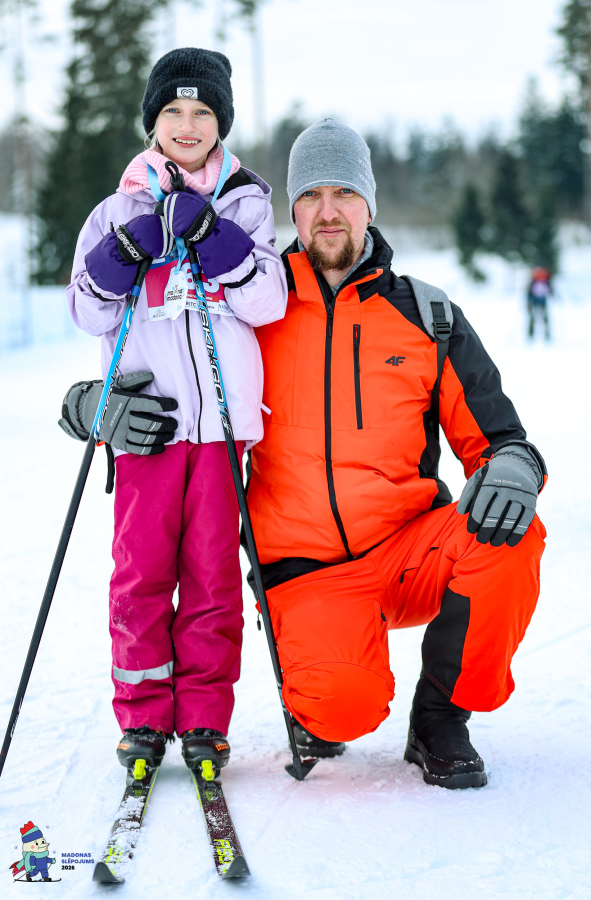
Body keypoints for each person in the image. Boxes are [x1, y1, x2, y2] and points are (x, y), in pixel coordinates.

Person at [246, 118, 547, 789]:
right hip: (305, 570)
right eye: (311, 195)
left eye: (344, 193)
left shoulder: (427, 317)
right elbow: (173, 377)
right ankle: (322, 683)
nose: (328, 211)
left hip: (411, 550)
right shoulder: (251, 311)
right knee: (341, 711)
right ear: (292, 208)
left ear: (369, 204)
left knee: (510, 531)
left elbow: (500, 438)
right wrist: (94, 402)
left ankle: (440, 719)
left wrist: (512, 468)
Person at [59, 48, 287, 776]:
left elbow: (267, 301)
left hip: (220, 430)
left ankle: (203, 718)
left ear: (221, 122)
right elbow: (86, 312)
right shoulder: (114, 210)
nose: (188, 125)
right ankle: (144, 718)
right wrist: (124, 250)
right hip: (148, 429)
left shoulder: (246, 203)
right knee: (142, 576)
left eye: (203, 112)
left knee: (213, 578)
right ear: (152, 121)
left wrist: (214, 237)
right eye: (173, 111)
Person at [527, 267, 552, 340]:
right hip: (539, 301)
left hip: (539, 301)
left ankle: (543, 334)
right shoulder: (543, 282)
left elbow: (529, 293)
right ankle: (533, 334)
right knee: (537, 318)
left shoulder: (538, 282)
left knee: (540, 318)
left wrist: (528, 302)